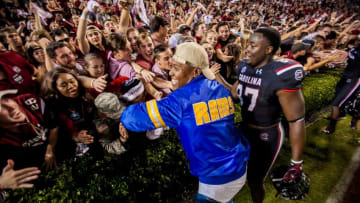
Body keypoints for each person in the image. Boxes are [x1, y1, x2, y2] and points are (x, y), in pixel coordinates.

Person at [119, 42, 249, 202]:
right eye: (171, 66)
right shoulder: (218, 87)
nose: (170, 72)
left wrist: (124, 109)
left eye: (176, 68)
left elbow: (132, 119)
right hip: (237, 165)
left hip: (217, 178)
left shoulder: (179, 102)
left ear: (195, 72)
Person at [217, 27, 306, 203]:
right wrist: (214, 79)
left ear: (268, 50)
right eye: (248, 45)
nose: (247, 50)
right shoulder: (244, 66)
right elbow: (235, 94)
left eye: (253, 46)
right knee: (231, 174)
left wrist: (296, 163)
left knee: (255, 181)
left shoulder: (281, 75)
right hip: (243, 130)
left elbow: (296, 120)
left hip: (267, 135)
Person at [323, 34, 360, 133]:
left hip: (355, 79)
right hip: (345, 76)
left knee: (337, 103)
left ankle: (331, 127)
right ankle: (341, 115)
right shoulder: (352, 50)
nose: (357, 41)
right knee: (339, 99)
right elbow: (348, 62)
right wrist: (335, 63)